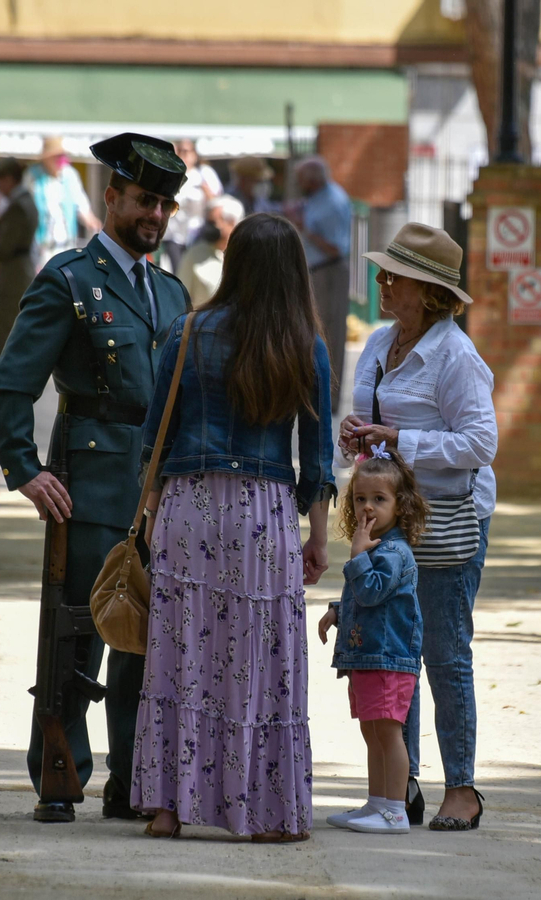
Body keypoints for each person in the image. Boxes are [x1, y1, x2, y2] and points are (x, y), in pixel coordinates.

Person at [0, 132, 189, 824]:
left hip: (157, 486)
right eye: (142, 200)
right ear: (111, 197)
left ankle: (133, 779)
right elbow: (13, 383)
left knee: (145, 639)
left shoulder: (170, 291)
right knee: (79, 636)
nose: (154, 216)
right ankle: (60, 772)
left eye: (164, 204)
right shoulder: (69, 279)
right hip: (90, 476)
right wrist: (24, 468)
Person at [131, 212, 336, 842]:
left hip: (188, 508)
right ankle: (262, 810)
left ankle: (168, 807)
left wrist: (153, 511)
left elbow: (152, 440)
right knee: (256, 656)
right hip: (263, 515)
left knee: (180, 651)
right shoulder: (306, 346)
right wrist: (319, 536)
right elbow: (319, 455)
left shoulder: (188, 331)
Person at [338, 223, 498, 831]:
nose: (382, 282)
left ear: (429, 292)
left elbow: (481, 442)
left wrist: (400, 437)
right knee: (392, 653)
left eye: (394, 275)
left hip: (448, 524)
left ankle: (462, 787)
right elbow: (362, 424)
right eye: (383, 272)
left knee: (444, 654)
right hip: (393, 521)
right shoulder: (381, 344)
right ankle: (397, 788)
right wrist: (357, 435)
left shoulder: (457, 357)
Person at [318, 447, 428, 834]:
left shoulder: (394, 551)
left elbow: (372, 591)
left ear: (401, 506)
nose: (368, 508)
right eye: (360, 499)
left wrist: (357, 555)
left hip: (388, 657)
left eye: (379, 500)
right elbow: (362, 597)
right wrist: (337, 609)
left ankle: (395, 810)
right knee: (371, 729)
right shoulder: (377, 548)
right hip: (368, 656)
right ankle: (377, 803)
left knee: (386, 730)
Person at [287, 156, 352, 406]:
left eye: (301, 179)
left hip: (330, 272)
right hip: (316, 271)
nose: (298, 184)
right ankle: (315, 393)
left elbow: (336, 247)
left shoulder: (333, 201)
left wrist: (303, 228)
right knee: (314, 331)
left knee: (329, 335)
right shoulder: (318, 198)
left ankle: (329, 399)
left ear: (312, 180)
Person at [0, 157, 38, 357]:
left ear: (9, 179)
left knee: (6, 334)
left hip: (11, 278)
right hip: (15, 275)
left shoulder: (18, 206)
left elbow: (4, 247)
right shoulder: (22, 202)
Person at [29, 136, 101, 268]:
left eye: (61, 156)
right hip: (42, 247)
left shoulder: (70, 175)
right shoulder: (33, 177)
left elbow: (82, 205)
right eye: (56, 156)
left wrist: (94, 224)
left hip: (66, 245)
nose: (60, 160)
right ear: (47, 158)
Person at [163, 139, 221, 271]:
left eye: (187, 151)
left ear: (195, 154)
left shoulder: (204, 173)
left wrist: (205, 191)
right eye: (180, 151)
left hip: (196, 233)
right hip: (174, 234)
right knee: (177, 271)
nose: (184, 155)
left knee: (195, 270)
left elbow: (216, 201)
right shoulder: (170, 174)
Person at [175, 194, 242, 308]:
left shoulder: (244, 256)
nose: (208, 228)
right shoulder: (194, 255)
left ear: (231, 223)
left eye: (213, 222)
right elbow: (178, 300)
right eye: (207, 222)